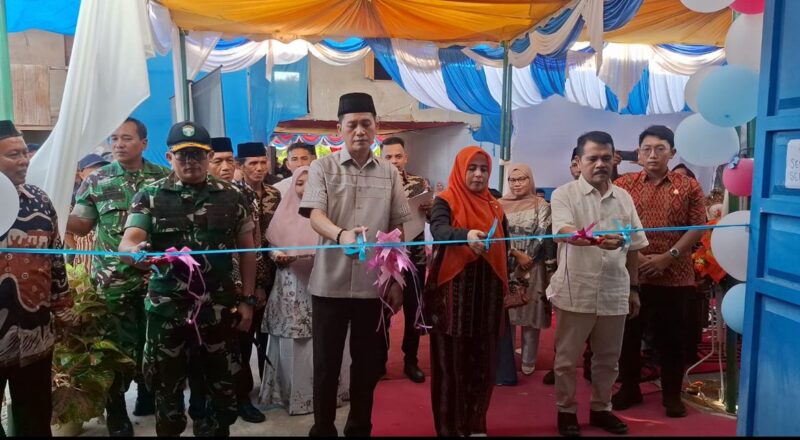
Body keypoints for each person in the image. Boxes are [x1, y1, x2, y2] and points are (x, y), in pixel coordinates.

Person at [118, 121, 257, 437]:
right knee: (166, 393)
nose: (190, 161)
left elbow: (249, 252)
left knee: (221, 393)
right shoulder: (150, 196)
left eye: (197, 154)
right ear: (170, 157)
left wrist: (248, 300)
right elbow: (128, 242)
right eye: (183, 155)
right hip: (168, 310)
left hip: (218, 309)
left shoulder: (232, 196)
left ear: (209, 156)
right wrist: (134, 253)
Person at [299, 92, 411, 437]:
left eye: (366, 123)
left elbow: (397, 228)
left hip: (372, 286)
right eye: (352, 125)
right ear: (339, 129)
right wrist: (341, 234)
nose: (360, 131)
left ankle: (359, 428)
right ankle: (322, 428)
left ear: (376, 127)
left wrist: (396, 280)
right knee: (326, 365)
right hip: (328, 285)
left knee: (367, 364)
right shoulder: (323, 167)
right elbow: (314, 215)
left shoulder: (390, 173)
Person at [67, 118, 169, 435]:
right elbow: (81, 225)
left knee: (157, 344)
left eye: (126, 138)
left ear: (144, 143)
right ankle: (116, 412)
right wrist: (58, 211)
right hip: (113, 283)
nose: (119, 144)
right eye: (114, 139)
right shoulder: (97, 180)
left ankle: (150, 397)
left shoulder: (164, 177)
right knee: (114, 348)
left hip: (157, 279)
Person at [547, 131, 648, 437]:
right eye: (593, 158)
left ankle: (602, 408)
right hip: (575, 289)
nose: (600, 164)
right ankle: (566, 411)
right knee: (566, 360)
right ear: (578, 162)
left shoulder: (624, 198)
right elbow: (563, 231)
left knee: (608, 359)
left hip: (615, 290)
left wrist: (634, 288)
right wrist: (594, 240)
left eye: (606, 158)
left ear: (614, 160)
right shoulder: (563, 194)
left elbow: (634, 246)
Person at [612, 125, 706, 418]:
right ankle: (629, 388)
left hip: (675, 276)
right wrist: (638, 256)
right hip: (632, 273)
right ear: (639, 154)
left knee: (672, 340)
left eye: (660, 149)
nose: (653, 155)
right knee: (628, 337)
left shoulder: (689, 186)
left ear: (672, 152)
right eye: (647, 149)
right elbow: (614, 221)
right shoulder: (623, 185)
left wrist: (669, 256)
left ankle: (671, 395)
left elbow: (698, 225)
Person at [424, 146, 508, 436]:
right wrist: (466, 235)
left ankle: (476, 423)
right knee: (451, 366)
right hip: (453, 296)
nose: (478, 174)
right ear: (460, 170)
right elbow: (439, 230)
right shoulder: (445, 200)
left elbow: (504, 242)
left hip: (487, 295)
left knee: (484, 363)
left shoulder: (495, 205)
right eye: (472, 168)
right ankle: (450, 428)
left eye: (483, 169)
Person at [0, 120, 73, 437]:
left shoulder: (39, 202)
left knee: (35, 418)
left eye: (24, 153)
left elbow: (55, 259)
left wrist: (63, 307)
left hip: (35, 335)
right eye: (13, 155)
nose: (24, 160)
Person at [259, 166, 350, 414]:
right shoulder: (284, 211)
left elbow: (341, 243)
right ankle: (296, 396)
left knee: (327, 336)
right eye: (299, 184)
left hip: (323, 281)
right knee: (295, 341)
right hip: (291, 284)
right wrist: (278, 255)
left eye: (310, 184)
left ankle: (330, 393)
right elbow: (271, 243)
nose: (304, 189)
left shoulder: (330, 214)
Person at [233, 141, 284, 423]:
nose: (259, 168)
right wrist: (255, 286)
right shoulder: (232, 195)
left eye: (263, 162)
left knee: (268, 336)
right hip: (244, 281)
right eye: (252, 163)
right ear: (241, 166)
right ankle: (242, 397)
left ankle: (268, 389)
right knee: (242, 341)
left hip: (275, 276)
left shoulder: (275, 194)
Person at [381, 136, 432, 383]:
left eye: (398, 156)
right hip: (384, 259)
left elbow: (431, 219)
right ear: (380, 159)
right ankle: (379, 360)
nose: (394, 161)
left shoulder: (420, 183)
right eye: (388, 157)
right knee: (383, 310)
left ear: (406, 158)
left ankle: (411, 360)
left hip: (415, 256)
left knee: (414, 310)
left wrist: (431, 210)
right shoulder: (375, 184)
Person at [499, 164, 557, 376]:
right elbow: (497, 235)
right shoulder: (498, 205)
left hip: (534, 267)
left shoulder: (541, 204)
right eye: (512, 180)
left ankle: (528, 359)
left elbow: (543, 234)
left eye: (521, 179)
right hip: (506, 265)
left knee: (531, 314)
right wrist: (515, 254)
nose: (517, 184)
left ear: (530, 180)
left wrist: (528, 257)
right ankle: (506, 357)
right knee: (507, 314)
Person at [65, 153, 110, 272]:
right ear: (81, 173)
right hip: (85, 258)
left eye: (102, 168)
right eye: (93, 169)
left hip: (107, 259)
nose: (98, 173)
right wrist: (80, 250)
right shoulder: (73, 198)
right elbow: (66, 232)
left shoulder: (109, 194)